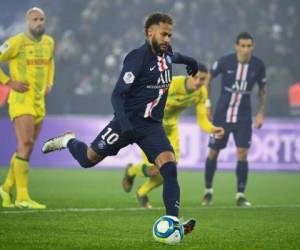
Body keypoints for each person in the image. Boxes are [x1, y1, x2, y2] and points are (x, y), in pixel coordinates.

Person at [42, 12, 198, 234]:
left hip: (151, 126)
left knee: (170, 169)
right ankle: (68, 140)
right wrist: (125, 126)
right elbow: (117, 95)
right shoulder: (137, 58)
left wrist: (191, 61)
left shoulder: (167, 53)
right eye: (164, 35)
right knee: (88, 159)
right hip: (126, 123)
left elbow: (177, 56)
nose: (167, 40)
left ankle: (172, 222)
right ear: (150, 32)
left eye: (170, 35)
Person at [121, 63, 224, 208]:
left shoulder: (201, 93)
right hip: (151, 128)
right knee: (153, 170)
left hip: (170, 131)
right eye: (198, 78)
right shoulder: (173, 84)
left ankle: (141, 193)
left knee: (168, 171)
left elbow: (202, 120)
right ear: (190, 75)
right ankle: (131, 170)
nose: (200, 83)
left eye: (203, 80)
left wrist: (213, 129)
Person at [202, 32, 267, 207]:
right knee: (213, 152)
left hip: (243, 117)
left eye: (249, 46)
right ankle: (208, 191)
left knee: (242, 153)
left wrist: (261, 112)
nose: (246, 49)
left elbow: (262, 89)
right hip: (222, 115)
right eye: (243, 46)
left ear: (253, 46)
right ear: (236, 46)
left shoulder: (258, 65)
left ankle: (240, 194)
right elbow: (208, 78)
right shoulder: (225, 61)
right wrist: (207, 104)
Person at [0, 7, 55, 209]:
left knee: (28, 147)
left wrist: (50, 82)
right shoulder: (16, 42)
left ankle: (5, 189)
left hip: (39, 101)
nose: (38, 23)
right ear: (27, 21)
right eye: (35, 19)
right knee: (25, 142)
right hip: (21, 100)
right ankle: (22, 197)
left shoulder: (49, 42)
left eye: (41, 19)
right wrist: (8, 82)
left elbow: (51, 63)